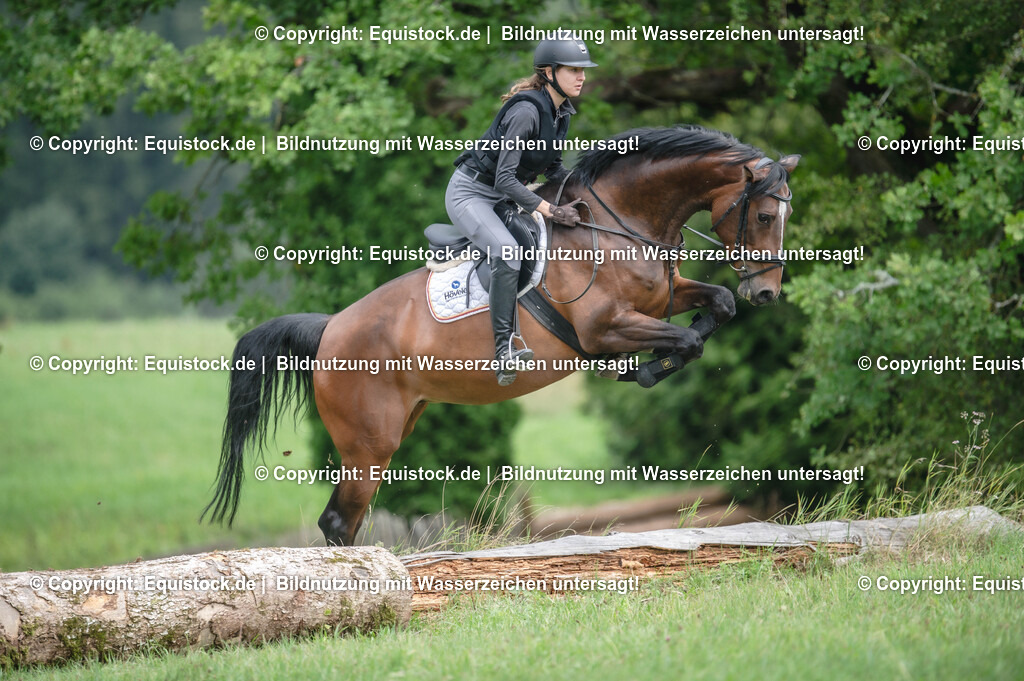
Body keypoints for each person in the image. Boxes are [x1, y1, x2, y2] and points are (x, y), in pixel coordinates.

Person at [446, 38, 596, 386]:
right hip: (471, 194)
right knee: (508, 251)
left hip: (501, 197)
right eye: (574, 70)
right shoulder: (526, 112)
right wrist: (551, 211)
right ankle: (504, 350)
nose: (581, 77)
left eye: (583, 71)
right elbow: (505, 178)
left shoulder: (561, 114)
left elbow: (554, 169)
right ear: (549, 72)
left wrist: (590, 190)